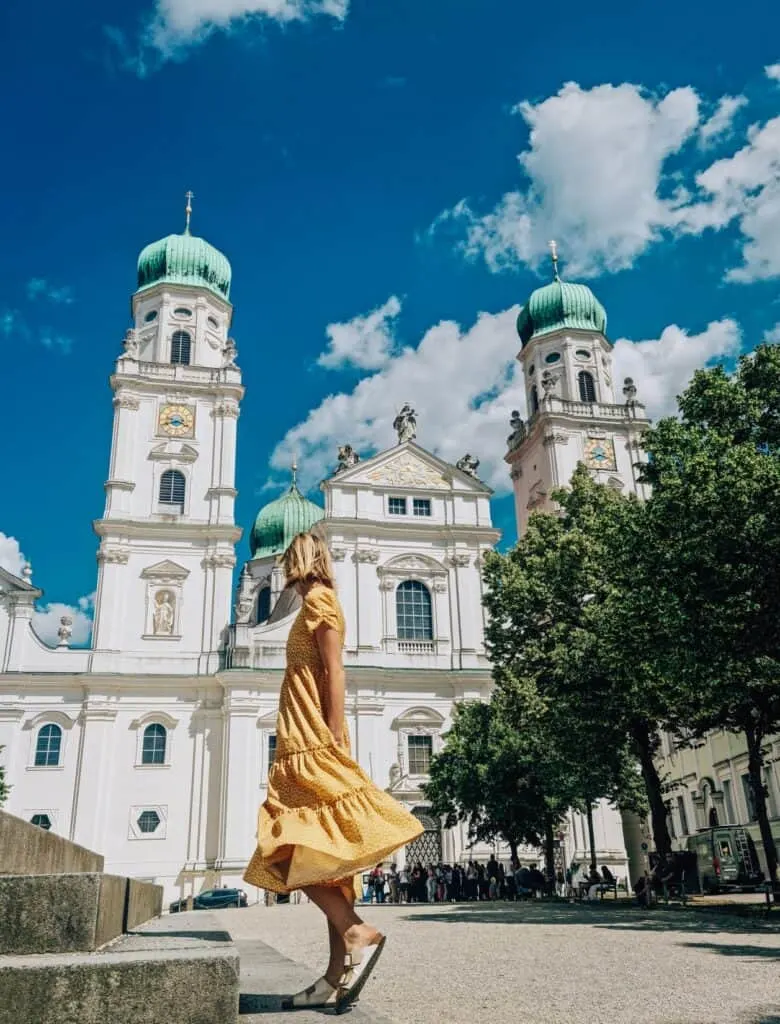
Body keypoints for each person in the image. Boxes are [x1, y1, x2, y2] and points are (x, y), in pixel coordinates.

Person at [243, 532, 423, 1011]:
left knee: (288, 846)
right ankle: (331, 977)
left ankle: (357, 931)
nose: (283, 567)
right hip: (299, 736)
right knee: (324, 857)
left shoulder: (321, 600)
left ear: (301, 560)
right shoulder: (310, 605)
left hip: (310, 739)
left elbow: (335, 669)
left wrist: (334, 734)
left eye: (288, 559)